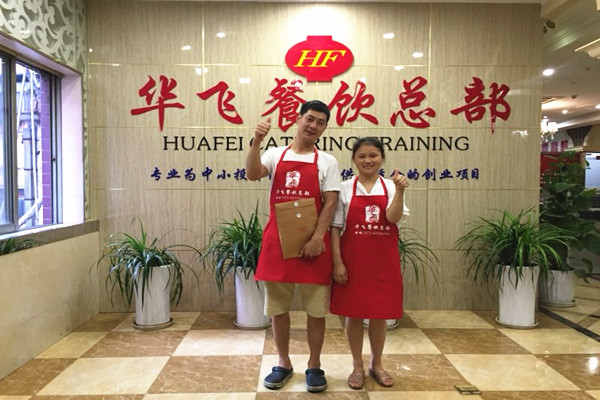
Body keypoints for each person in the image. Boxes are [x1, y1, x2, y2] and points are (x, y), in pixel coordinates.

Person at [245, 100, 341, 393]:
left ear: (324, 128)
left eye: (320, 122)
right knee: (278, 309)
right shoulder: (275, 154)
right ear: (298, 120)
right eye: (309, 119)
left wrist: (317, 239)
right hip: (278, 244)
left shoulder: (328, 161)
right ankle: (283, 362)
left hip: (314, 246)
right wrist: (257, 140)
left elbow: (331, 203)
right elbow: (252, 173)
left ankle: (314, 364)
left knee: (316, 311)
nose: (313, 126)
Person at [329, 137, 409, 390]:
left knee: (379, 315)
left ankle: (377, 364)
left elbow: (392, 218)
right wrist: (338, 263)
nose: (367, 160)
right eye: (361, 156)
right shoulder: (344, 188)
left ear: (381, 158)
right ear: (353, 160)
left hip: (383, 263)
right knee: (353, 314)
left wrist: (401, 191)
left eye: (373, 155)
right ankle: (357, 365)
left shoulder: (391, 186)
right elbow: (335, 229)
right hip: (353, 261)